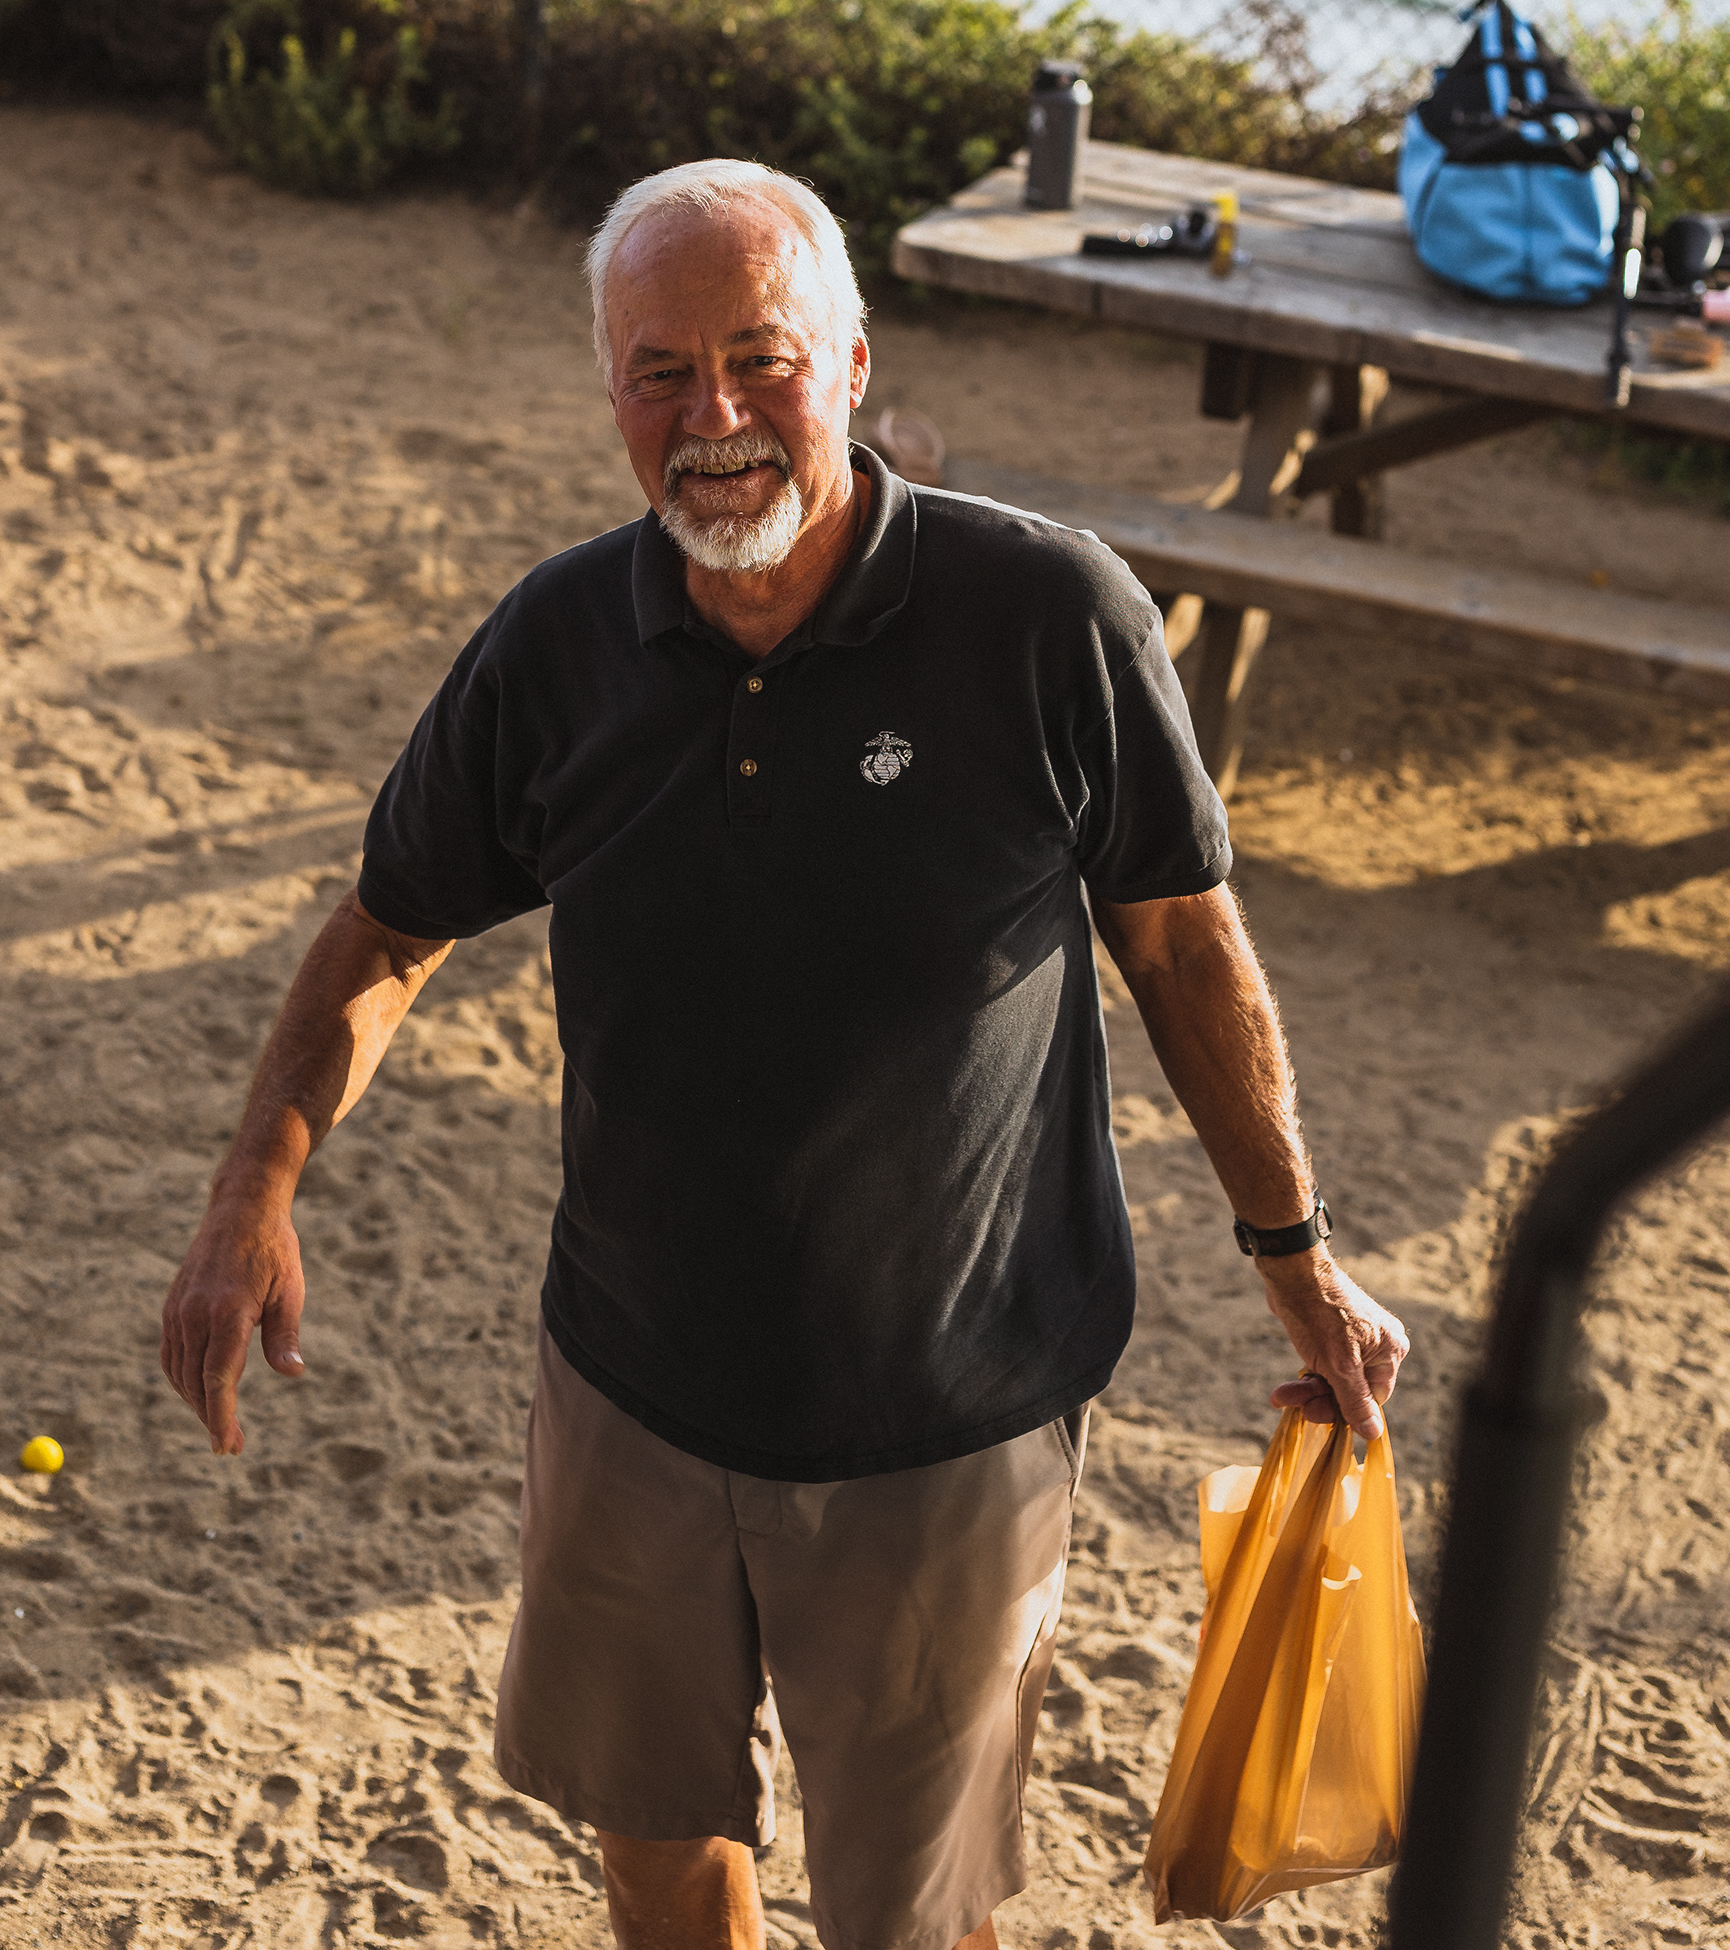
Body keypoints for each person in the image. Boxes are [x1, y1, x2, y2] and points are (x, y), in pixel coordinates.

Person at [162, 156, 1408, 1950]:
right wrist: (250, 1194)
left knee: (912, 1915)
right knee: (653, 1837)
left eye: (763, 360)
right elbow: (387, 930)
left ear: (855, 364)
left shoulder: (1048, 617)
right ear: (610, 391)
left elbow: (1182, 945)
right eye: (660, 373)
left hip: (948, 1419)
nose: (716, 418)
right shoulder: (561, 644)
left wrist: (1295, 1255)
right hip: (631, 1380)